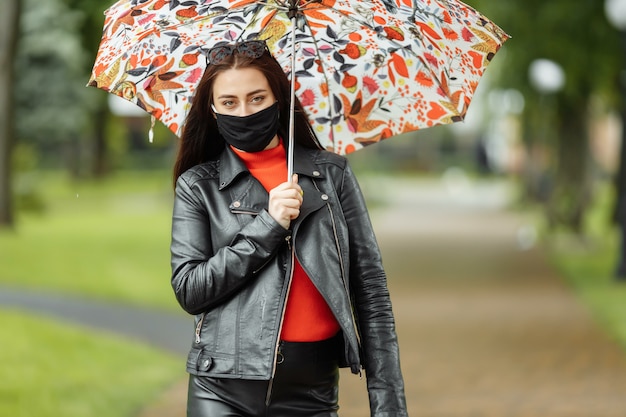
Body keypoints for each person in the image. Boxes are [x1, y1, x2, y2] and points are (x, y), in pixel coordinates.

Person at [170, 40, 408, 417]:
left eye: (257, 98)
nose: (244, 111)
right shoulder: (198, 186)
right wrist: (269, 225)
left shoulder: (332, 176)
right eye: (229, 102)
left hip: (311, 392)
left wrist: (389, 406)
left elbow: (371, 293)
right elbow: (190, 290)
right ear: (213, 110)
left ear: (278, 98)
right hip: (222, 390)